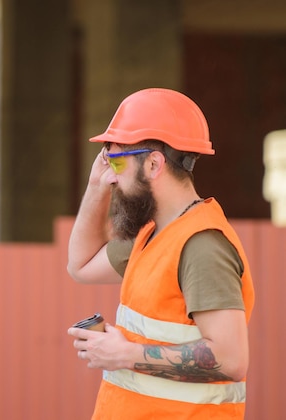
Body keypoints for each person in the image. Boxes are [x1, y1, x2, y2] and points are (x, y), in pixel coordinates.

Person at [66, 88, 255, 419]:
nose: (112, 173)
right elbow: (80, 266)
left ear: (154, 164)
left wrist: (125, 355)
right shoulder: (153, 232)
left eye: (118, 161)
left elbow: (230, 358)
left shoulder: (202, 245)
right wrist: (96, 187)